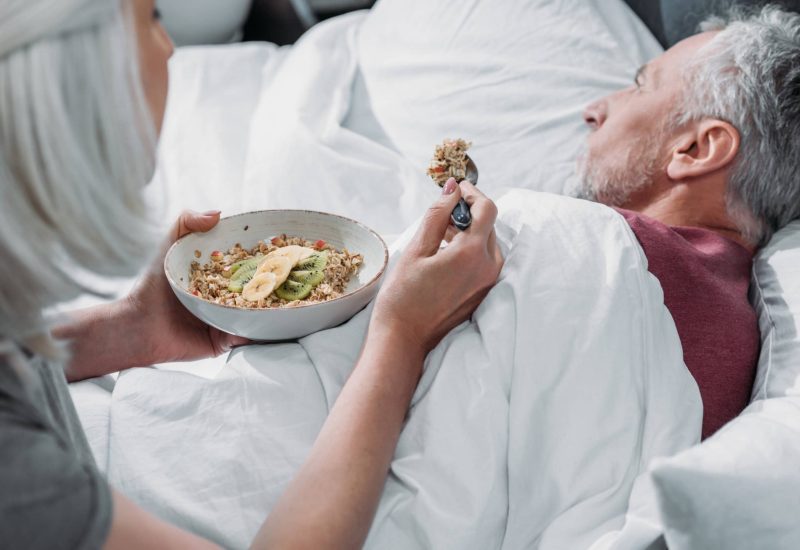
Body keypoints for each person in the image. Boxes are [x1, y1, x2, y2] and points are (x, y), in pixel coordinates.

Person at [0, 0, 502, 548]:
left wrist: (121, 331)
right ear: (76, 73)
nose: (170, 49)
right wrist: (402, 334)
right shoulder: (22, 481)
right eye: (151, 19)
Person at [577, 5, 800, 438]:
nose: (594, 109)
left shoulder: (565, 245)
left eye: (641, 86)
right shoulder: (735, 343)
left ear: (697, 149)